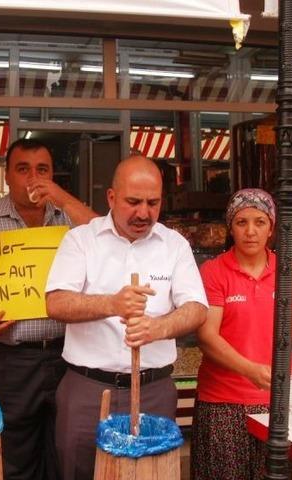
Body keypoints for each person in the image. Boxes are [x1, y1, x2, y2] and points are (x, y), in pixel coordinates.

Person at [45, 155, 208, 480]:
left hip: (154, 390)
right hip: (88, 390)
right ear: (111, 197)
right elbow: (56, 303)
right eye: (133, 202)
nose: (143, 213)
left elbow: (197, 308)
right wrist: (113, 304)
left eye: (153, 202)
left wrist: (157, 327)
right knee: (79, 472)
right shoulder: (81, 240)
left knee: (151, 475)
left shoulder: (174, 245)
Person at [0, 138, 97, 480]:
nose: (33, 178)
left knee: (68, 452)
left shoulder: (71, 217)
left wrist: (61, 197)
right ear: (6, 175)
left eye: (42, 170)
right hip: (9, 360)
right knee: (12, 456)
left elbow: (106, 239)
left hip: (71, 356)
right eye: (23, 169)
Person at [191, 188, 292, 480]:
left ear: (272, 228)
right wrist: (249, 369)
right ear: (231, 227)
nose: (250, 231)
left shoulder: (287, 270)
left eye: (260, 222)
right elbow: (207, 337)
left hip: (276, 402)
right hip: (222, 403)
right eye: (242, 222)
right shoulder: (214, 272)